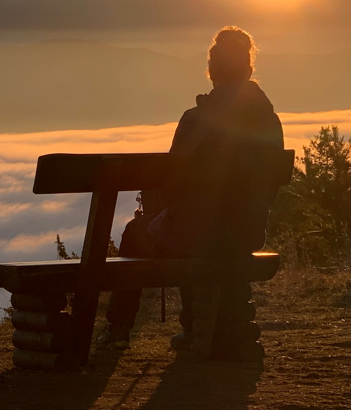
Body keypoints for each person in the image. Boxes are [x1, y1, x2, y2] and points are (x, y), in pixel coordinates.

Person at [95, 26, 285, 351]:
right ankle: (192, 327)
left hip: (200, 233)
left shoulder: (197, 119)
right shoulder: (270, 120)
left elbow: (172, 182)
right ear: (248, 69)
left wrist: (162, 208)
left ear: (212, 70)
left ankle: (118, 330)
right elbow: (270, 187)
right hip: (248, 231)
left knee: (141, 233)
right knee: (185, 226)